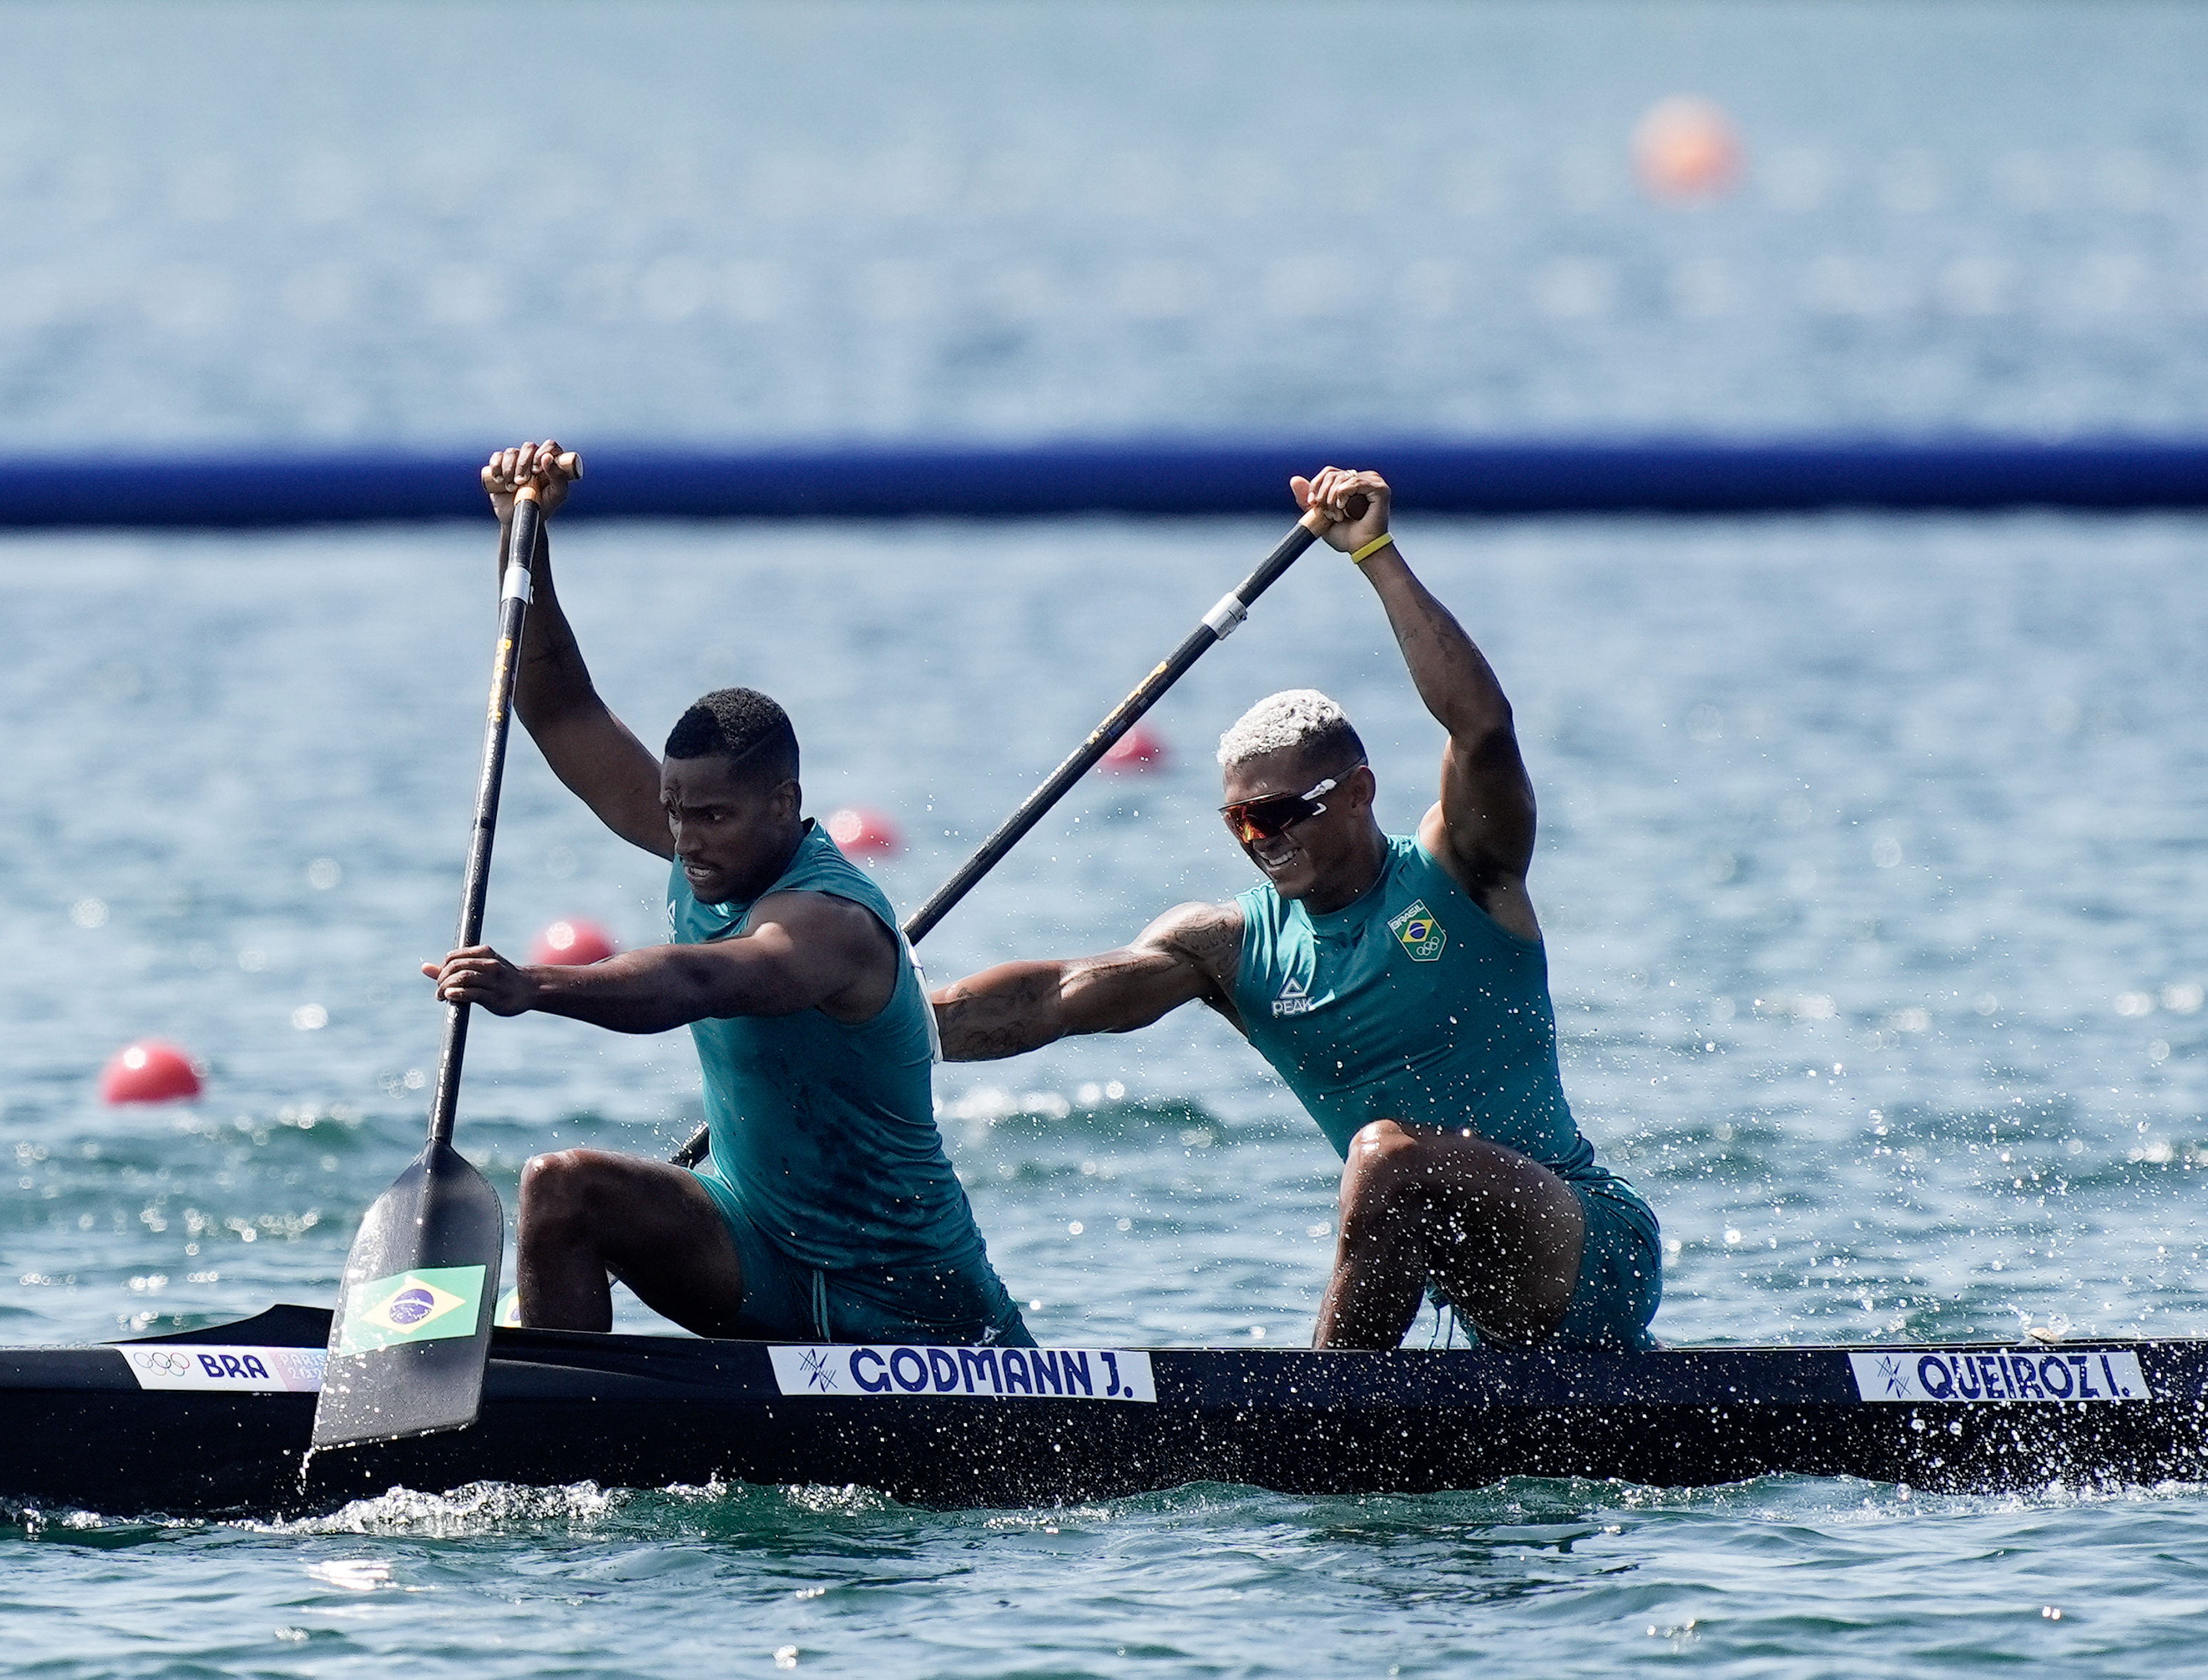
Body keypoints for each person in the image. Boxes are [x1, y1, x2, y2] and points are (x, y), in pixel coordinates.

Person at [928, 466, 1659, 1351]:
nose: (1256, 838)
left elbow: (1482, 730)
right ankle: (1345, 1422)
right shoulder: (1229, 947)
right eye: (1237, 817)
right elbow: (1053, 996)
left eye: (1278, 812)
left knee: (1385, 1156)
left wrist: (1376, 557)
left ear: (1357, 790)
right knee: (1387, 1163)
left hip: (1586, 1242)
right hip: (1468, 1291)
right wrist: (880, 1017)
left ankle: (1319, 1426)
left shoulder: (1462, 869)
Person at [425, 440, 1031, 1349]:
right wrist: (524, 535)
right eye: (674, 812)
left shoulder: (831, 922)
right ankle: (574, 1432)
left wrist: (535, 987)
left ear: (783, 803)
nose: (686, 839)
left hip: (908, 1300)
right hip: (759, 1255)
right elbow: (559, 709)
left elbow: (697, 983)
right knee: (563, 1185)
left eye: (711, 815)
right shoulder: (691, 835)